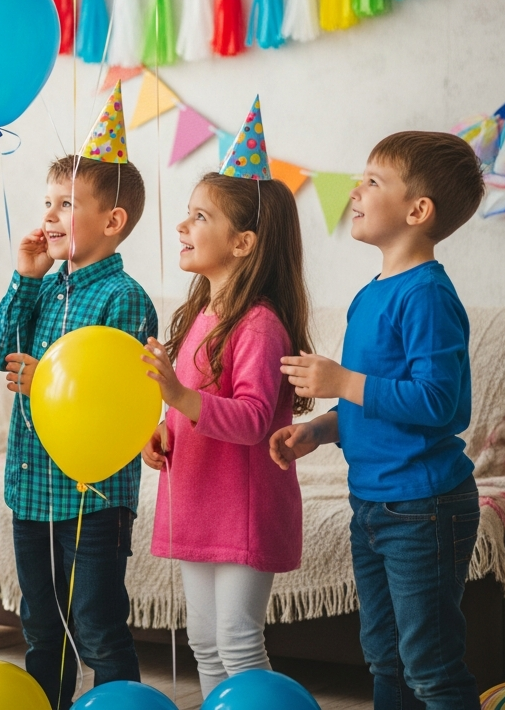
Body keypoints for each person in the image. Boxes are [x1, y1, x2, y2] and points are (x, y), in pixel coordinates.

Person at [271, 131, 485, 710]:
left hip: (423, 506)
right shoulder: (373, 294)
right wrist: (318, 429)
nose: (356, 191)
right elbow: (378, 398)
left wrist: (341, 380)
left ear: (418, 211)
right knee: (384, 659)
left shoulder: (427, 296)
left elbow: (440, 403)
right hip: (372, 504)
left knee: (430, 667)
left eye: (373, 181)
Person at [0, 153, 157, 707]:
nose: (51, 217)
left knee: (97, 626)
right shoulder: (42, 288)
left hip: (93, 497)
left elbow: (119, 401)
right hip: (32, 492)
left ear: (112, 221)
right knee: (40, 626)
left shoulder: (123, 297)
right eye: (47, 203)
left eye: (67, 204)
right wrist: (23, 277)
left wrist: (48, 382)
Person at [141, 172, 310, 700]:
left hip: (241, 510)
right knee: (204, 641)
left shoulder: (259, 324)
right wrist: (162, 431)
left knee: (237, 641)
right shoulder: (200, 315)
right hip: (195, 500)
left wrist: (180, 401)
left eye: (200, 216)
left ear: (243, 243)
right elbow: (191, 405)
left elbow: (255, 418)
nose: (182, 225)